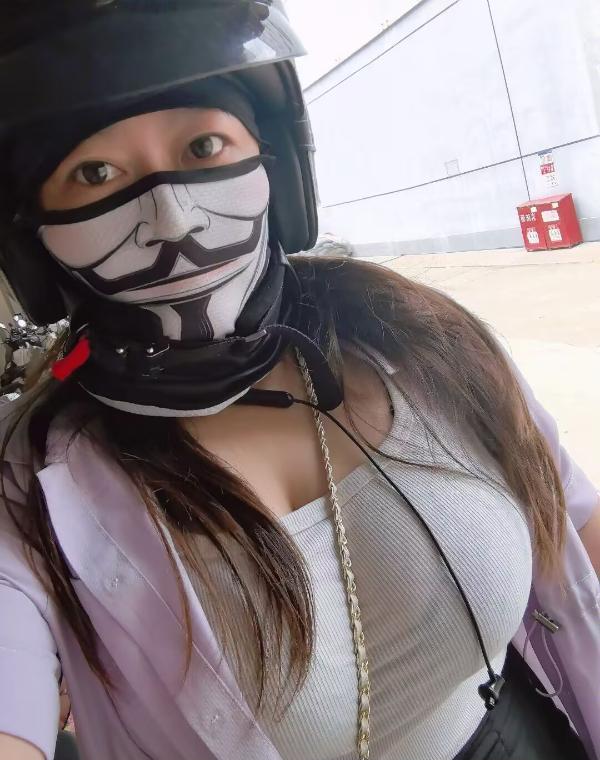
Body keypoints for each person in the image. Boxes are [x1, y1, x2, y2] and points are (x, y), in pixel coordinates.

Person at [0, 3, 599, 760]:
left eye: (204, 144)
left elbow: (570, 515)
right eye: (95, 173)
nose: (174, 221)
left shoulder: (422, 337)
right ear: (31, 234)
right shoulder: (26, 481)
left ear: (277, 164)